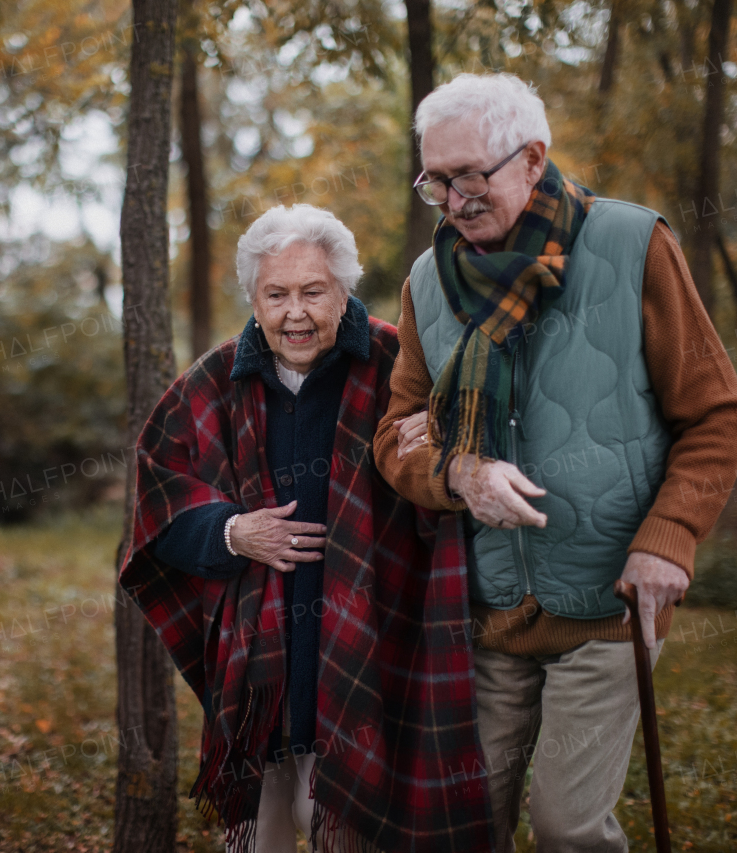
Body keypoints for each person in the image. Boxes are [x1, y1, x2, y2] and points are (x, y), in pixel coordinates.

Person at [373, 73, 737, 852]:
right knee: (466, 824)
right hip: (488, 606)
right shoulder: (425, 284)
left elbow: (714, 414)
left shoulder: (631, 242)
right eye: (435, 180)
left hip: (608, 602)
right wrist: (460, 475)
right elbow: (394, 437)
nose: (453, 199)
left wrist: (667, 537)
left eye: (471, 175)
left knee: (567, 826)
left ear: (533, 159)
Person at [120, 204, 492, 853]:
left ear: (343, 288)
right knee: (252, 838)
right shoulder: (212, 380)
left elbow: (460, 455)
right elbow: (155, 513)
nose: (295, 312)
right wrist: (233, 531)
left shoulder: (395, 360)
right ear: (253, 298)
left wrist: (443, 435)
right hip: (252, 673)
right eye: (277, 294)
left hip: (366, 652)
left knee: (342, 828)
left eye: (313, 292)